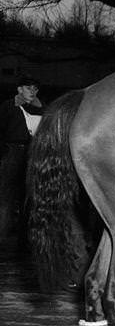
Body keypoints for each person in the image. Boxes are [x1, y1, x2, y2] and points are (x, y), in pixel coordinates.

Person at [0, 76, 44, 240]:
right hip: (12, 153)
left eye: (35, 88)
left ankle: (24, 242)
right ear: (19, 89)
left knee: (31, 199)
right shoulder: (8, 106)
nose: (32, 91)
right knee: (7, 200)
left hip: (35, 154)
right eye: (28, 88)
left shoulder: (42, 108)